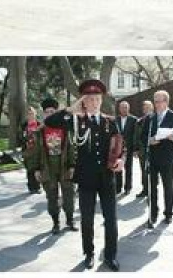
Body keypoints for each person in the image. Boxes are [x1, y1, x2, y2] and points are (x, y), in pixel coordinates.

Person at [44, 79, 123, 271]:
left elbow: (120, 146)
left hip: (107, 178)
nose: (94, 102)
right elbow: (49, 122)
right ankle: (89, 253)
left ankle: (111, 255)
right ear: (84, 102)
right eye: (90, 99)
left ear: (101, 101)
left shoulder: (110, 121)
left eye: (97, 99)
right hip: (86, 179)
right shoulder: (75, 121)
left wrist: (121, 160)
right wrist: (71, 109)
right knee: (87, 220)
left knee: (110, 219)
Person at [32, 97, 77, 234]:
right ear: (44, 114)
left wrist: (72, 165)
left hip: (64, 166)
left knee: (69, 195)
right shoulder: (39, 131)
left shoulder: (66, 128)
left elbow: (72, 148)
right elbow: (34, 152)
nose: (50, 114)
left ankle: (69, 220)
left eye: (53, 111)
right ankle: (55, 222)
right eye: (47, 112)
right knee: (52, 197)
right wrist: (36, 169)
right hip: (47, 168)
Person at [142, 90, 173, 225]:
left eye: (160, 101)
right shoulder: (149, 118)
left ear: (166, 102)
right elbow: (143, 137)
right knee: (151, 188)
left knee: (168, 187)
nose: (157, 104)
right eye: (156, 101)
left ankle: (168, 214)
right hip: (152, 158)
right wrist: (150, 140)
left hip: (167, 159)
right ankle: (153, 213)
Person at [115, 101, 139, 195]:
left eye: (125, 107)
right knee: (117, 168)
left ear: (128, 108)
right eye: (122, 107)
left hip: (129, 148)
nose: (124, 109)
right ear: (119, 109)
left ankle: (128, 187)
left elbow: (135, 135)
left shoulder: (133, 119)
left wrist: (135, 149)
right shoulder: (115, 119)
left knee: (128, 168)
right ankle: (118, 188)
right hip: (117, 148)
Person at [134, 100, 154, 199]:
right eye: (144, 107)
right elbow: (137, 135)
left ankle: (152, 190)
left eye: (148, 107)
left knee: (153, 171)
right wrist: (136, 149)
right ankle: (145, 189)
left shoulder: (156, 119)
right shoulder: (140, 120)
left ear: (152, 108)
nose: (145, 109)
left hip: (153, 150)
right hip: (142, 150)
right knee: (143, 170)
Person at [21, 106, 42, 194]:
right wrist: (25, 140)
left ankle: (37, 186)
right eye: (29, 114)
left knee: (37, 168)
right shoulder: (24, 125)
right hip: (27, 150)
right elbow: (20, 137)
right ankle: (31, 187)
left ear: (35, 114)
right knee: (29, 169)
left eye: (32, 113)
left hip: (37, 150)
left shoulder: (39, 124)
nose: (30, 115)